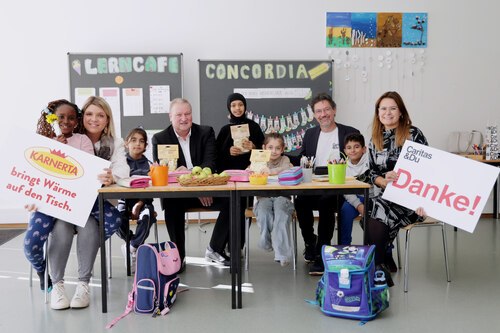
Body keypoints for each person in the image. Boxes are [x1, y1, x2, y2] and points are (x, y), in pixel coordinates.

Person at [48, 96, 129, 310]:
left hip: (94, 208)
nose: (94, 119)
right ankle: (57, 286)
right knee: (62, 229)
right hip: (65, 205)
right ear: (82, 117)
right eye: (90, 114)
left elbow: (123, 169)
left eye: (100, 115)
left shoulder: (115, 142)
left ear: (107, 119)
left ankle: (83, 285)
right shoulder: (67, 136)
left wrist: (111, 176)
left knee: (89, 228)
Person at [23, 99, 94, 291]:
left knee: (106, 223)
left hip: (72, 203)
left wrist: (64, 150)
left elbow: (86, 169)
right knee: (30, 245)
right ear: (52, 118)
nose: (66, 121)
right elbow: (36, 173)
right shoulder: (44, 142)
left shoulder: (82, 141)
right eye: (61, 117)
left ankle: (81, 270)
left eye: (71, 118)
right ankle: (41, 270)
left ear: (77, 121)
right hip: (47, 203)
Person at [366, 91, 428, 287]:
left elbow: (429, 169)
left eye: (393, 108)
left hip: (412, 200)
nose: (388, 112)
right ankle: (380, 264)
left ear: (401, 112)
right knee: (375, 208)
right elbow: (370, 173)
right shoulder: (375, 138)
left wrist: (423, 200)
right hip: (385, 196)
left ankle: (376, 267)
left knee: (376, 212)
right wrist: (382, 180)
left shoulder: (413, 134)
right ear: (378, 112)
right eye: (383, 108)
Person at [294, 92, 360, 275]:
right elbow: (301, 159)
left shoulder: (350, 133)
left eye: (326, 110)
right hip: (314, 186)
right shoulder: (310, 134)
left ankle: (323, 252)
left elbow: (359, 160)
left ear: (334, 110)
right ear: (314, 115)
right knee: (300, 201)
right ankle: (310, 242)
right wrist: (278, 157)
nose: (323, 114)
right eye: (318, 111)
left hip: (339, 189)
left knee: (326, 202)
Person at [152, 98, 216, 270]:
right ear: (170, 117)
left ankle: (215, 248)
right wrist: (194, 185)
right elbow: (166, 174)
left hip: (205, 189)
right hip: (178, 193)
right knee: (172, 204)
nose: (184, 118)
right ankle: (178, 257)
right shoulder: (160, 138)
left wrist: (197, 185)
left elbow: (210, 163)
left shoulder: (206, 132)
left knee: (234, 201)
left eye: (187, 114)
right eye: (178, 114)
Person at [205, 92, 265, 264]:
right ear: (229, 108)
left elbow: (264, 152)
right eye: (233, 105)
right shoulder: (225, 130)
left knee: (242, 211)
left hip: (250, 178)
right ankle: (224, 247)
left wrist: (253, 146)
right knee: (232, 208)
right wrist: (228, 151)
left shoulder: (253, 128)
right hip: (229, 179)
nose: (237, 108)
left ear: (245, 106)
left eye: (240, 105)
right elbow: (216, 157)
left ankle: (236, 247)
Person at [116, 127, 156, 273]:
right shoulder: (120, 163)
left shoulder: (150, 165)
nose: (137, 144)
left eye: (141, 141)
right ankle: (132, 242)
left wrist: (139, 204)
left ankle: (131, 247)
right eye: (133, 140)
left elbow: (151, 189)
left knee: (148, 215)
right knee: (116, 219)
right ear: (126, 143)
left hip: (144, 202)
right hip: (124, 201)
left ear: (146, 146)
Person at [252, 133, 294, 266]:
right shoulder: (259, 160)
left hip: (282, 197)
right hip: (264, 197)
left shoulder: (285, 160)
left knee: (281, 214)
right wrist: (251, 170)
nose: (274, 151)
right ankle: (266, 241)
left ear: (282, 149)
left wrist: (272, 172)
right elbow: (250, 170)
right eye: (270, 147)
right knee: (264, 213)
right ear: (264, 147)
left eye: (277, 148)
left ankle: (282, 254)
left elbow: (287, 169)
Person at [338, 133, 370, 245]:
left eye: (356, 147)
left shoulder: (371, 163)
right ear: (345, 150)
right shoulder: (343, 167)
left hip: (372, 198)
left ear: (364, 149)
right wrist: (359, 205)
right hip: (354, 199)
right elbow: (346, 191)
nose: (353, 150)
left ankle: (381, 250)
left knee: (377, 216)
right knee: (345, 210)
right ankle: (344, 246)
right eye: (349, 148)